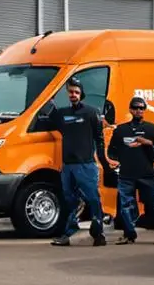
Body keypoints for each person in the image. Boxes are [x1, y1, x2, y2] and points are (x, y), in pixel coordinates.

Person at [41, 77, 113, 247]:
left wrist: (104, 162)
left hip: (86, 165)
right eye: (71, 92)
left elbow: (99, 139)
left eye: (76, 92)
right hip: (68, 166)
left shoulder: (91, 112)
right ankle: (67, 234)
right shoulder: (62, 114)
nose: (73, 95)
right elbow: (44, 108)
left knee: (93, 199)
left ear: (81, 94)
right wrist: (48, 94)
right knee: (69, 200)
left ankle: (98, 234)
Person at [107, 96, 154, 245]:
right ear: (130, 109)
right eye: (135, 108)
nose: (138, 110)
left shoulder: (151, 129)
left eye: (141, 108)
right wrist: (116, 160)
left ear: (145, 110)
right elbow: (111, 150)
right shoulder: (121, 130)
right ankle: (129, 234)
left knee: (153, 206)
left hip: (146, 174)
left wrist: (151, 149)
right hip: (126, 175)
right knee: (125, 207)